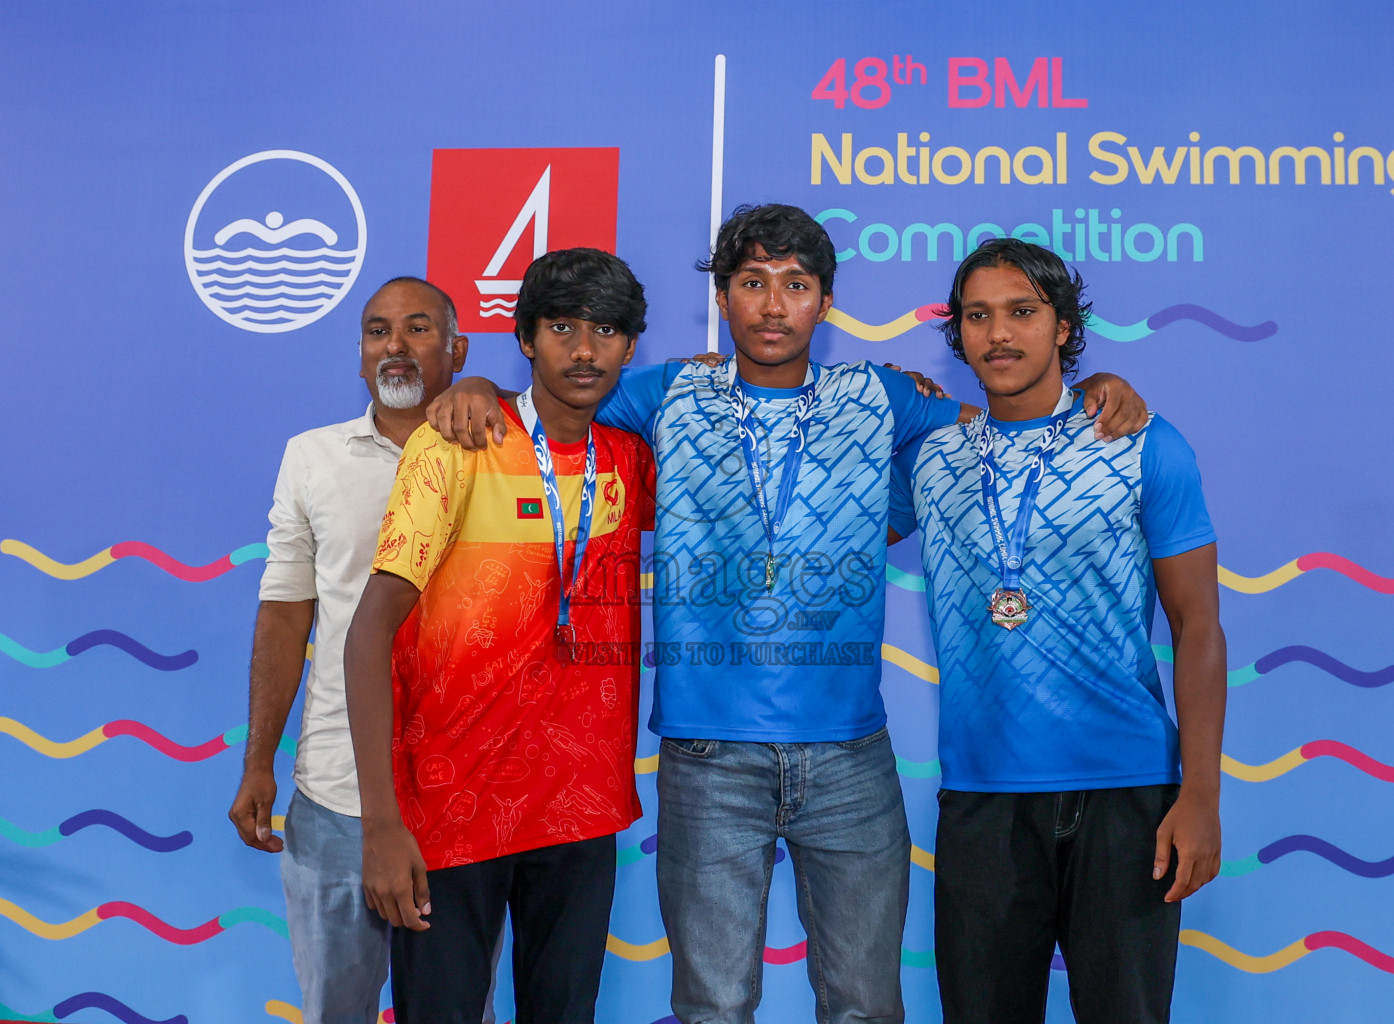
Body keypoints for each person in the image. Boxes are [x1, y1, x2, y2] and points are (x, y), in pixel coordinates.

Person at [426, 205, 1148, 1024]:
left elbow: (1010, 421)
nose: (774, 306)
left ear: (825, 302)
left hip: (851, 759)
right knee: (713, 1006)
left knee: (866, 1007)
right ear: (724, 300)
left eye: (796, 286)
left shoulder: (880, 397)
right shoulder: (665, 392)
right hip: (707, 761)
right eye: (753, 284)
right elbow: (557, 398)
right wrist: (478, 383)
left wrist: (1096, 388)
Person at [888, 238, 1226, 1024]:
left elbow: (1198, 624)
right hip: (983, 800)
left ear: (1065, 328)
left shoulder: (1144, 442)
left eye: (1022, 312)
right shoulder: (931, 458)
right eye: (978, 316)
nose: (999, 334)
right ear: (958, 333)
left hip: (1127, 796)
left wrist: (1202, 794)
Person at [343, 248, 655, 1024]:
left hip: (581, 809)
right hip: (451, 808)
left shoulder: (632, 458)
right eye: (561, 328)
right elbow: (366, 633)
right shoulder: (454, 443)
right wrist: (382, 823)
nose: (584, 351)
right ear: (523, 338)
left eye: (607, 331)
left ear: (630, 345)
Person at [227, 277, 469, 1024]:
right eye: (376, 331)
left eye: (418, 327)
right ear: (361, 358)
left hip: (462, 790)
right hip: (334, 795)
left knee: (462, 1008)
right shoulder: (312, 457)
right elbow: (284, 614)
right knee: (338, 1009)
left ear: (457, 351)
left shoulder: (493, 452)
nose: (394, 345)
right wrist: (258, 761)